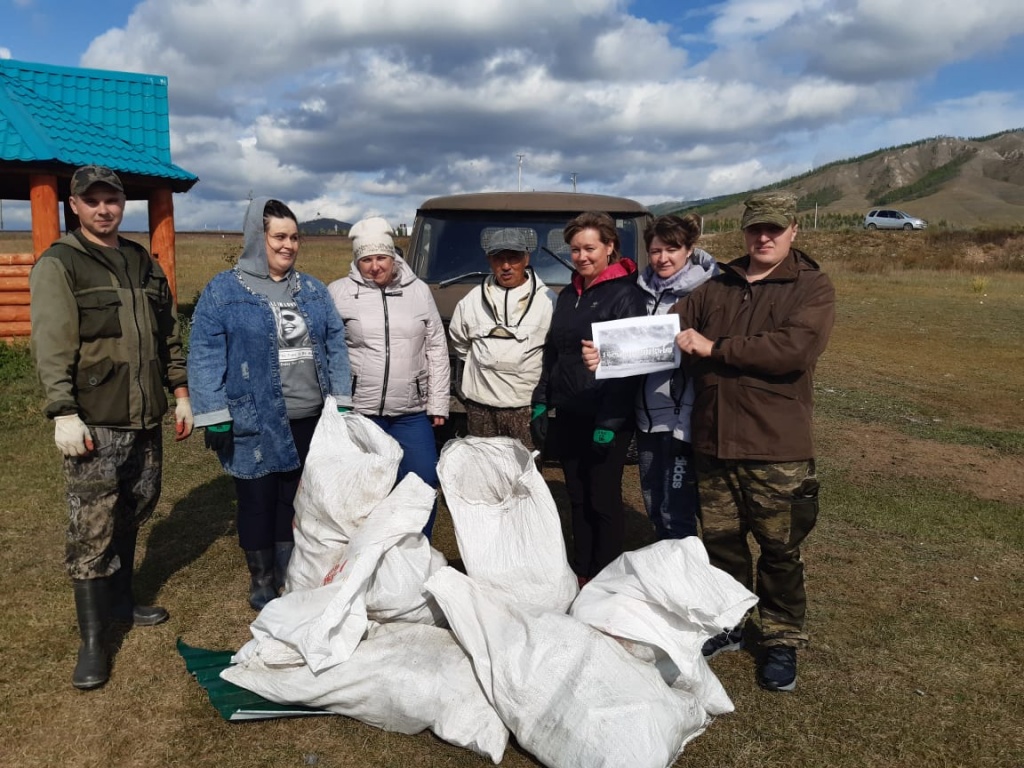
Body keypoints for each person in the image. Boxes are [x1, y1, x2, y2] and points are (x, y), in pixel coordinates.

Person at [29, 164, 194, 690]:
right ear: (74, 206)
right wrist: (63, 411)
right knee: (91, 529)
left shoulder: (141, 261)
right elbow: (52, 343)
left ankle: (122, 602)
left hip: (145, 418)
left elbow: (167, 333)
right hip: (95, 421)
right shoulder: (62, 264)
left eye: (113, 201)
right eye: (93, 201)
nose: (104, 209)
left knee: (138, 504)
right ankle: (94, 642)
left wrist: (181, 392)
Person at [672, 191, 834, 692]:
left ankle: (782, 640)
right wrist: (611, 354)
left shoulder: (811, 286)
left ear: (793, 230)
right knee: (722, 544)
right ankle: (733, 624)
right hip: (715, 441)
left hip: (775, 446)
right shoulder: (718, 283)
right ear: (743, 231)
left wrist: (715, 347)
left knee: (780, 550)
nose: (763, 238)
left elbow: (792, 349)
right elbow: (669, 329)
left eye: (774, 229)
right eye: (755, 230)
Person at [188, 197, 352, 611]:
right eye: (279, 236)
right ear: (257, 238)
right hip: (253, 417)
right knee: (257, 498)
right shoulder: (224, 292)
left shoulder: (312, 290)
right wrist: (213, 413)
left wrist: (342, 400)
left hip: (307, 416)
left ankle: (286, 567)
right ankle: (261, 578)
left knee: (292, 497)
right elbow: (205, 354)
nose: (289, 245)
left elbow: (335, 343)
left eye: (295, 237)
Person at [584, 214, 719, 539]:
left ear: (689, 250)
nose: (662, 258)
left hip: (682, 419)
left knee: (678, 511)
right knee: (653, 502)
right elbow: (625, 345)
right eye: (656, 250)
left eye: (671, 249)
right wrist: (601, 357)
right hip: (646, 418)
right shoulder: (638, 292)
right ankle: (665, 575)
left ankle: (684, 580)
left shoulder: (708, 293)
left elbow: (716, 350)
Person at [531, 211, 647, 586]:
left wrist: (610, 423)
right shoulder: (568, 294)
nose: (581, 256)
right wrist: (541, 398)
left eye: (590, 248)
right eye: (575, 249)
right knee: (577, 497)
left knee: (602, 498)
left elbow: (632, 366)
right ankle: (582, 570)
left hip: (605, 416)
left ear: (610, 247)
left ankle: (607, 577)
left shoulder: (627, 295)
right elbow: (554, 351)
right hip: (569, 411)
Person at [328, 217, 449, 538]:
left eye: (381, 258)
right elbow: (328, 351)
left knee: (421, 481)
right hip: (360, 413)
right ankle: (364, 553)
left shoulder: (419, 292)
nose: (375, 267)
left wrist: (438, 402)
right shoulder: (339, 293)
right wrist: (336, 403)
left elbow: (436, 346)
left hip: (411, 412)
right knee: (364, 490)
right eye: (366, 259)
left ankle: (414, 549)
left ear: (393, 256)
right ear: (356, 261)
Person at [448, 228, 556, 448]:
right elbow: (460, 341)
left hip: (525, 406)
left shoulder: (548, 301)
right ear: (490, 261)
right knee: (485, 467)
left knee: (525, 470)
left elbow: (554, 349)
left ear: (526, 258)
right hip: (480, 405)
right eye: (499, 259)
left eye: (513, 258)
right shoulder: (471, 301)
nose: (506, 266)